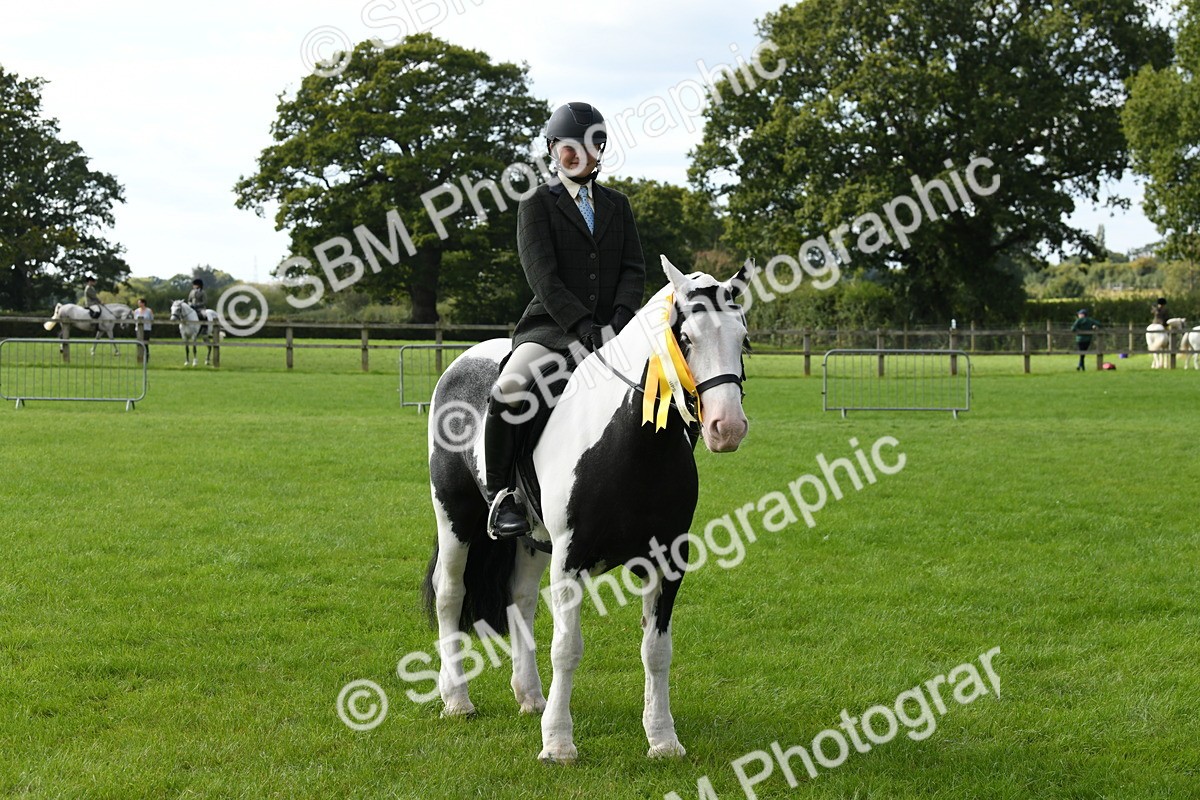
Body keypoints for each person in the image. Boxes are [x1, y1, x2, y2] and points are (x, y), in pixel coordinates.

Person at [484, 101, 646, 539]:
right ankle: (501, 497)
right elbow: (543, 277)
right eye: (566, 147)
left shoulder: (618, 205)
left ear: (600, 150)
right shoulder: (535, 203)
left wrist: (620, 317)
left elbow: (634, 269)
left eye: (587, 146)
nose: (576, 155)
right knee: (510, 387)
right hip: (552, 327)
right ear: (553, 150)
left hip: (614, 331)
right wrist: (582, 327)